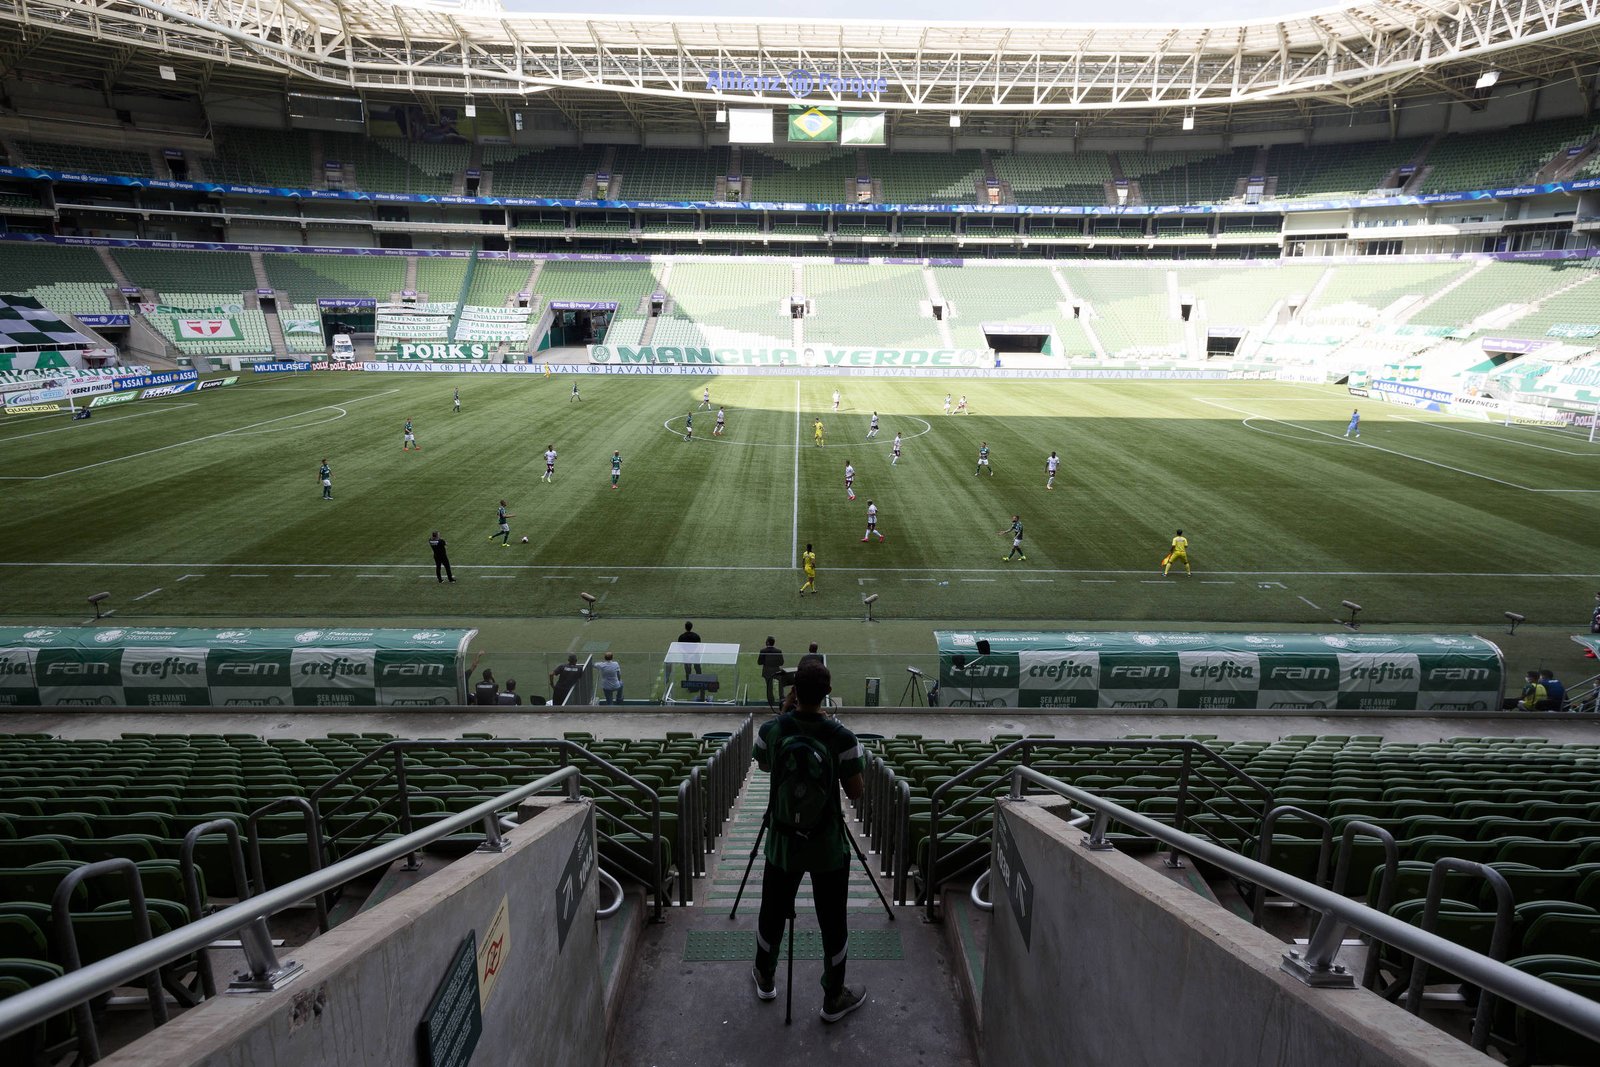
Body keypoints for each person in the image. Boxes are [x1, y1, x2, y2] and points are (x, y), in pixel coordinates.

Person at [750, 659, 867, 1023]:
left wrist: (785, 716)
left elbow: (765, 765)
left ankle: (765, 976)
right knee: (833, 923)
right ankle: (833, 997)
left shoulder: (771, 730)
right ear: (828, 694)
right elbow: (857, 792)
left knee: (771, 912)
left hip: (783, 844)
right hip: (828, 846)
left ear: (794, 690)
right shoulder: (843, 738)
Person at [758, 636, 785, 708]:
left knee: (769, 686)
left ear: (767, 642)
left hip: (767, 671)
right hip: (776, 670)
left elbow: (759, 662)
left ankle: (771, 701)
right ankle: (782, 698)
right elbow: (781, 662)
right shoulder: (778, 651)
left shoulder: (763, 651)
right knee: (781, 682)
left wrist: (766, 663)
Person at [678, 620, 702, 693]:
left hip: (686, 657)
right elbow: (698, 646)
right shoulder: (696, 636)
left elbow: (680, 648)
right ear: (692, 627)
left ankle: (689, 687)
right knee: (698, 669)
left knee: (688, 671)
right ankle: (700, 684)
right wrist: (692, 654)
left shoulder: (681, 637)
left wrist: (687, 654)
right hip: (695, 655)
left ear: (685, 628)